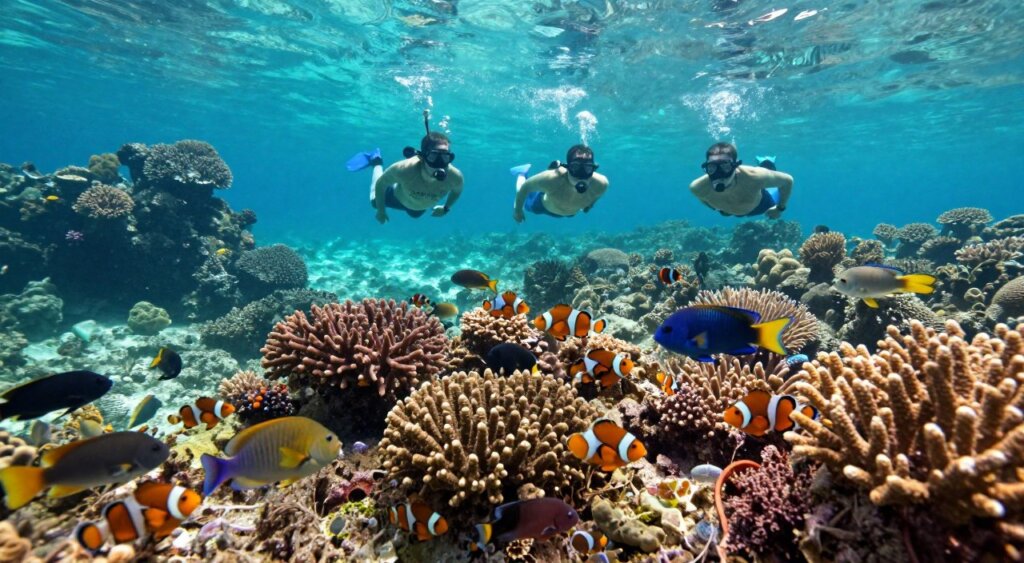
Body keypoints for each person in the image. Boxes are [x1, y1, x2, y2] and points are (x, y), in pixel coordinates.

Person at [347, 112, 464, 224]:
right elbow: (381, 184)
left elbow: (457, 191)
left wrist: (446, 208)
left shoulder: (455, 177)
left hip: (417, 208)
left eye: (445, 157)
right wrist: (381, 211)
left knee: (415, 215)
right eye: (434, 157)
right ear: (423, 157)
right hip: (395, 197)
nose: (440, 163)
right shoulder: (403, 169)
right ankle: (376, 161)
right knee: (375, 202)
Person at [689, 142, 792, 219]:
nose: (718, 174)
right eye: (712, 168)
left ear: (736, 165)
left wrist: (779, 208)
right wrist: (719, 209)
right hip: (736, 212)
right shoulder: (697, 188)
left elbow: (787, 181)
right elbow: (705, 200)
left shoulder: (754, 177)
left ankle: (767, 162)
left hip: (762, 205)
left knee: (768, 180)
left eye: (725, 167)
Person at [511, 145, 609, 222]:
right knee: (527, 204)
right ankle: (522, 172)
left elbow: (596, 196)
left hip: (570, 213)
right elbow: (525, 187)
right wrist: (518, 211)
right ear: (568, 167)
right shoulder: (551, 178)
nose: (581, 175)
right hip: (541, 206)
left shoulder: (602, 184)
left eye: (587, 168)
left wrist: (590, 205)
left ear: (593, 169)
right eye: (576, 167)